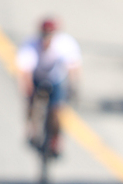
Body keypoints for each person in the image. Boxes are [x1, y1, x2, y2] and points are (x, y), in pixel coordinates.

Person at [15, 17, 82, 154]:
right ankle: (32, 127)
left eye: (50, 35)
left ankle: (56, 138)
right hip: (37, 77)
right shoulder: (30, 44)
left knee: (56, 110)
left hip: (56, 79)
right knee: (30, 101)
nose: (46, 38)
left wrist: (73, 86)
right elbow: (25, 71)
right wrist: (27, 89)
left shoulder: (64, 44)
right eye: (44, 34)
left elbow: (73, 67)